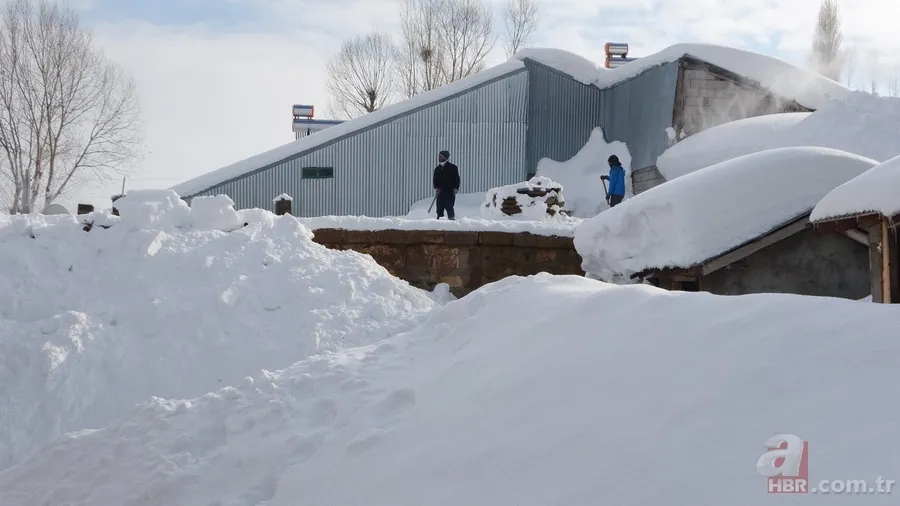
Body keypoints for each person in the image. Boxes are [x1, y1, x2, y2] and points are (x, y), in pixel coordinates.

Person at [433, 150, 460, 219]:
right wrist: (436, 187)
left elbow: (457, 179)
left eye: (441, 156)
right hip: (440, 192)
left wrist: (456, 188)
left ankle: (452, 222)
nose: (439, 157)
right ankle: (439, 223)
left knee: (449, 208)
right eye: (439, 156)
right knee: (439, 209)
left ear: (445, 157)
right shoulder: (437, 169)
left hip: (449, 192)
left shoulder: (453, 168)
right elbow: (435, 181)